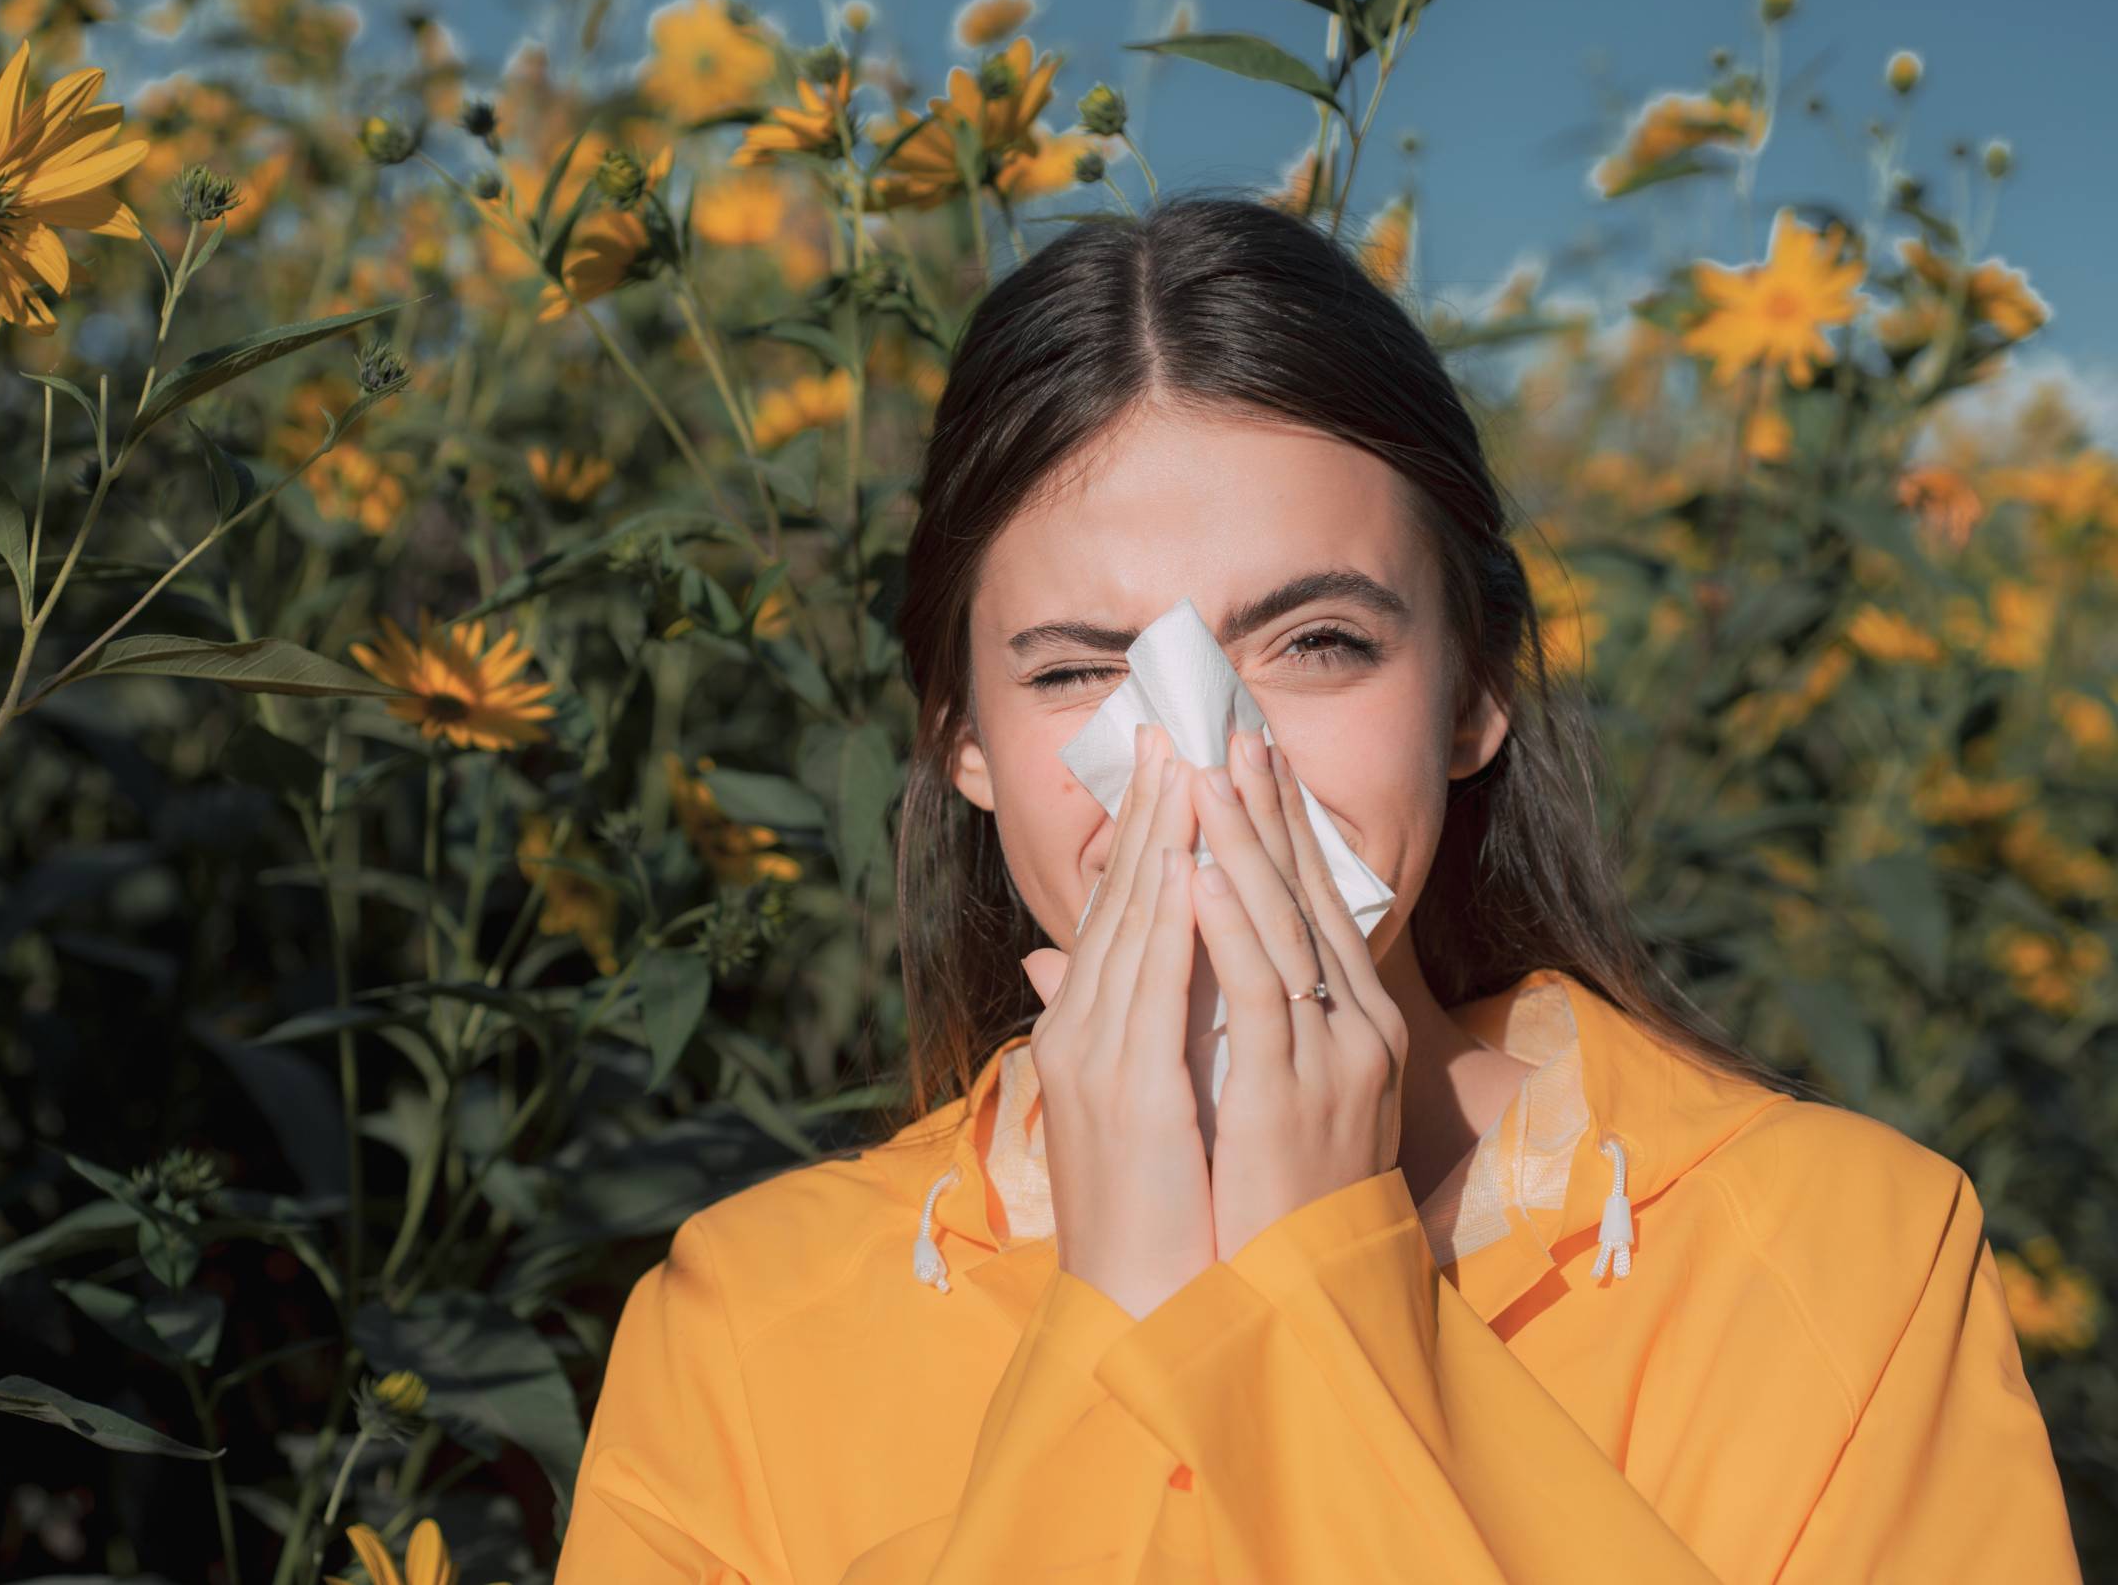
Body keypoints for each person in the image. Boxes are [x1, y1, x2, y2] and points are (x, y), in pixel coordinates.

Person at [549, 196, 2082, 1582]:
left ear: (1473, 694)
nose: (1199, 763)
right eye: (1080, 671)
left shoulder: (1849, 1260)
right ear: (965, 745)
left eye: (1318, 643)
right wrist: (1127, 1301)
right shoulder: (741, 1333)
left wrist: (1326, 1284)